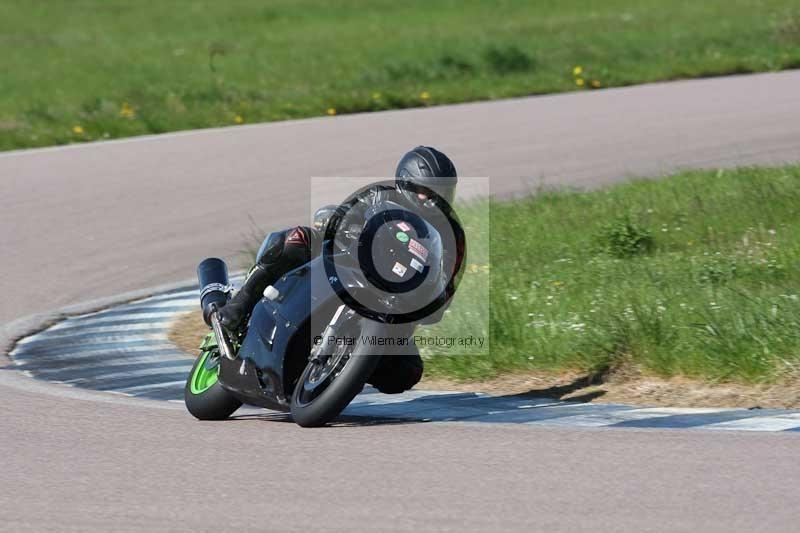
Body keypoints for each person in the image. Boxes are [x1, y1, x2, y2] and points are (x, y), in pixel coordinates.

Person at [217, 146, 458, 393]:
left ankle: (344, 367)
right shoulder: (379, 195)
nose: (431, 199)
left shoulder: (451, 235)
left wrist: (434, 299)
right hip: (344, 265)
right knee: (297, 239)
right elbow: (342, 215)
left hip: (394, 301)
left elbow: (447, 283)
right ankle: (241, 302)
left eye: (442, 192)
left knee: (407, 372)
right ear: (405, 182)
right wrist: (339, 221)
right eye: (424, 191)